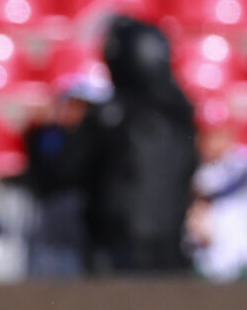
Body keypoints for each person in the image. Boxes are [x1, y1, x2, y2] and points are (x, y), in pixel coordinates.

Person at [67, 16, 201, 271]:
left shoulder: (111, 116)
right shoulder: (181, 114)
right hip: (169, 249)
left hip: (117, 251)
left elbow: (69, 170)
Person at [10, 71, 108, 277]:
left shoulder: (100, 137)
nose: (78, 111)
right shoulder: (51, 134)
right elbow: (49, 171)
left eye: (85, 106)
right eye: (74, 103)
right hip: (55, 215)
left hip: (86, 220)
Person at [188, 122, 247, 281]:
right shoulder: (201, 172)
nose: (213, 143)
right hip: (215, 256)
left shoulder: (243, 161)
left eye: (219, 136)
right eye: (208, 137)